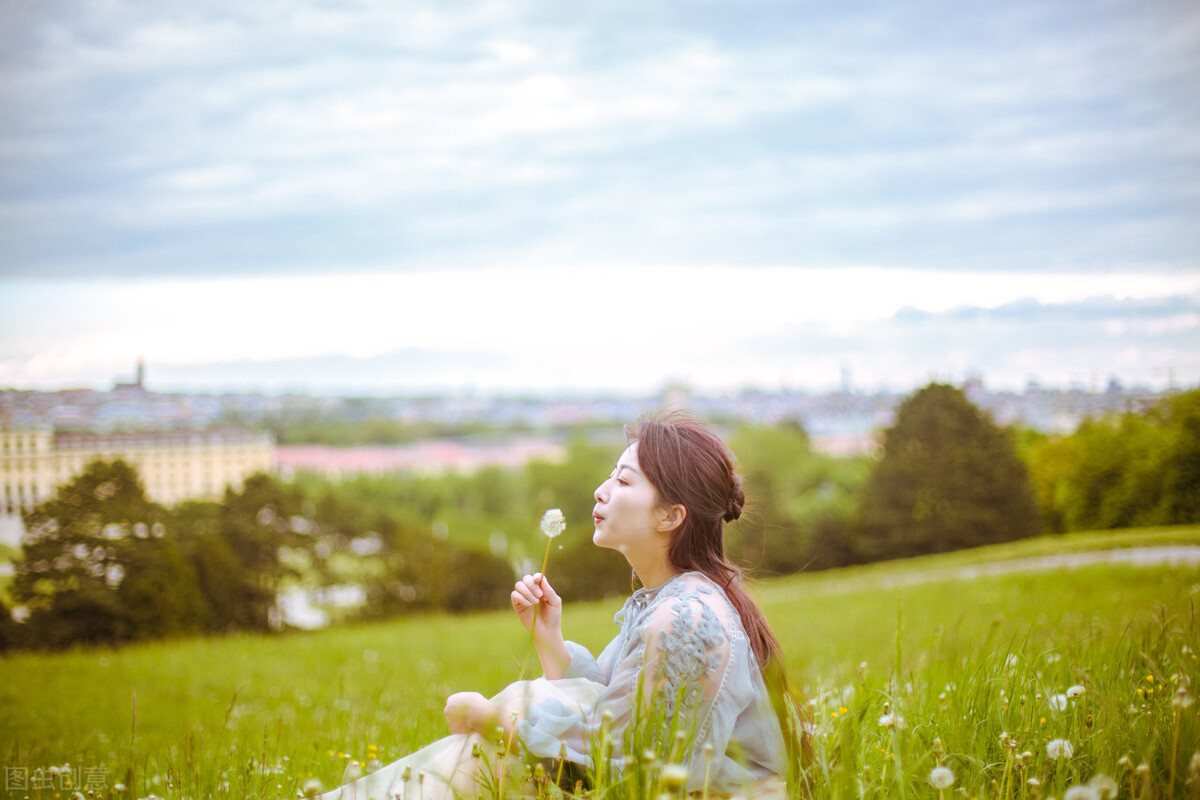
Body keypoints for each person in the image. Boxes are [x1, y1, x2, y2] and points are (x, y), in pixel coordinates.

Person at [320, 414, 801, 800]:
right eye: (610, 475)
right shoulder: (670, 603)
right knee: (497, 749)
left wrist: (492, 718)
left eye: (625, 481)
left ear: (670, 516)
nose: (601, 490)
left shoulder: (687, 618)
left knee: (493, 753)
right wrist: (549, 638)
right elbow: (611, 705)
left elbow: (627, 764)